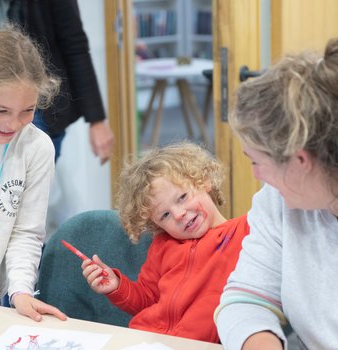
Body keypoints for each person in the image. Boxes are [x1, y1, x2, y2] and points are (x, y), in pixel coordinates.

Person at [214, 38, 338, 349]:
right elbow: (245, 298)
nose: (256, 175)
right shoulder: (278, 200)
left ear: (300, 161)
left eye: (256, 161)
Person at [81, 142, 249, 343]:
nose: (179, 215)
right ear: (155, 223)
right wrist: (116, 286)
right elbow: (145, 300)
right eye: (165, 215)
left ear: (204, 181)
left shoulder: (243, 233)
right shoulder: (163, 245)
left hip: (196, 345)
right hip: (145, 339)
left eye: (182, 197)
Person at [0, 25, 66, 322]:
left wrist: (20, 291)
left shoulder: (37, 148)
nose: (14, 123)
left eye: (28, 110)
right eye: (1, 110)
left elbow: (26, 233)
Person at [0, 0, 114, 163]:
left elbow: (75, 47)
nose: (12, 126)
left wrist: (96, 120)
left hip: (41, 106)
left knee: (26, 178)